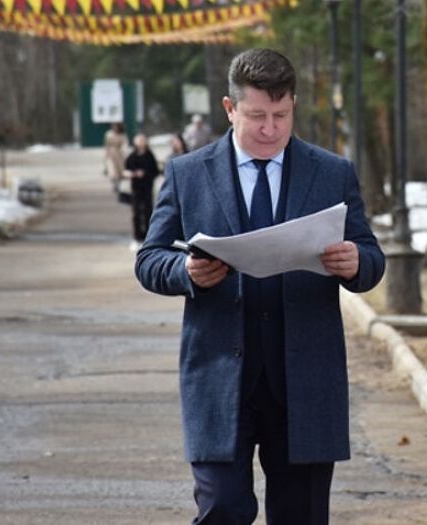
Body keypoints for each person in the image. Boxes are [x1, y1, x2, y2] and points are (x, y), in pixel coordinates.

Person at [134, 48, 385, 525]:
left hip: (306, 380)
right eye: (256, 116)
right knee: (223, 509)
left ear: (293, 105)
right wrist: (183, 273)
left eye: (281, 115)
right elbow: (150, 258)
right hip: (218, 374)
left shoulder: (332, 173)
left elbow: (371, 258)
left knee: (301, 516)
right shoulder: (188, 173)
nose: (270, 129)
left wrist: (355, 262)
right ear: (229, 109)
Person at [124, 132, 160, 252]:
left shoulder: (149, 156)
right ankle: (136, 238)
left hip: (147, 187)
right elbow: (126, 170)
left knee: (148, 212)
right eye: (138, 140)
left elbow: (155, 171)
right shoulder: (132, 156)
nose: (140, 142)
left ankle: (147, 238)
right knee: (136, 213)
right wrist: (131, 174)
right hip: (135, 188)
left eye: (142, 140)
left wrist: (145, 173)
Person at [103, 122, 127, 193]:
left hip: (119, 154)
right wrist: (106, 153)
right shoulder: (109, 134)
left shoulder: (122, 135)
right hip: (111, 153)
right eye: (114, 126)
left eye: (116, 126)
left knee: (119, 171)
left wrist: (124, 152)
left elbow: (124, 144)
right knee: (112, 171)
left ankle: (118, 185)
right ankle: (114, 185)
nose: (115, 128)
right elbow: (106, 144)